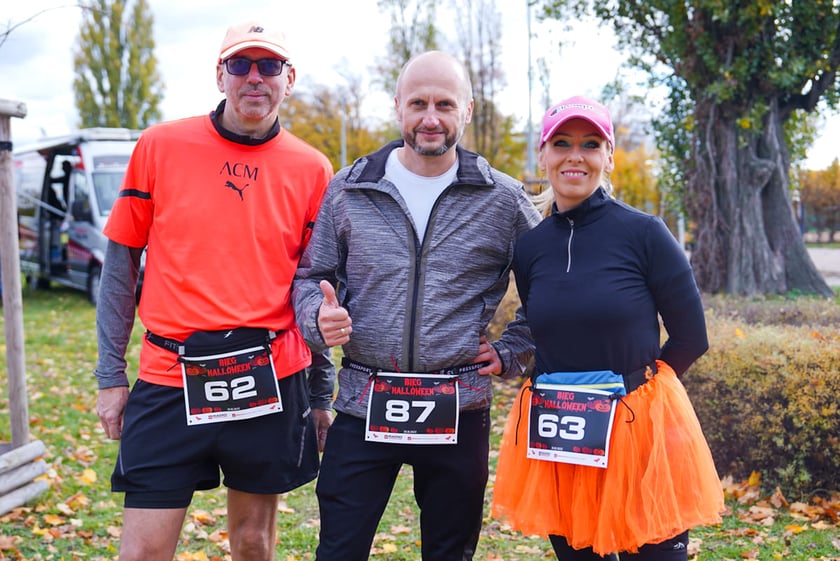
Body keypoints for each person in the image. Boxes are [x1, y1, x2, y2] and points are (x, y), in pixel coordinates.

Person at [93, 21, 334, 561]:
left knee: (253, 545)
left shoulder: (314, 169)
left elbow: (315, 288)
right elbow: (120, 266)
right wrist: (111, 376)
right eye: (240, 64)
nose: (255, 77)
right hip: (169, 374)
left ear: (288, 78)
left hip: (269, 376)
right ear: (219, 74)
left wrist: (321, 395)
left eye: (268, 65)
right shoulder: (159, 146)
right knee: (143, 552)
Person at [292, 50, 541, 561]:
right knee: (338, 549)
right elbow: (310, 276)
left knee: (449, 552)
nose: (431, 118)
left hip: (457, 404)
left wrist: (514, 348)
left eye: (445, 104)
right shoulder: (350, 187)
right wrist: (316, 320)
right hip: (365, 397)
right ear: (398, 107)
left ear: (467, 111)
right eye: (419, 103)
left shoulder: (502, 198)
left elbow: (553, 288)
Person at [490, 96, 724, 561]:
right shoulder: (531, 248)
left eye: (591, 144)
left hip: (639, 431)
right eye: (562, 143)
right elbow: (539, 326)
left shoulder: (645, 233)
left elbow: (691, 337)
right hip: (563, 431)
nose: (575, 155)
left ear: (609, 157)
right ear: (543, 154)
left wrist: (639, 393)